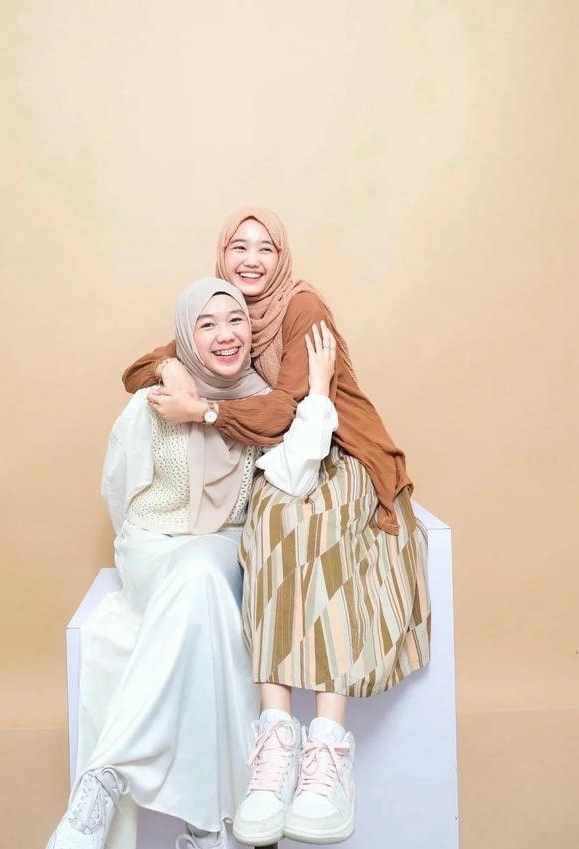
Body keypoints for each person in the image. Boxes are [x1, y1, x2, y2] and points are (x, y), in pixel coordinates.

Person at [123, 209, 431, 845]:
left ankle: (328, 747)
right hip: (286, 452)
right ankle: (275, 742)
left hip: (338, 448)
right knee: (267, 521)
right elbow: (143, 366)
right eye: (239, 247)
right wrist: (170, 370)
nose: (252, 260)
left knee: (310, 520)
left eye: (266, 248)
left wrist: (204, 410)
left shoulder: (300, 306)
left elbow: (291, 410)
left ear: (283, 256)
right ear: (223, 256)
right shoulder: (231, 312)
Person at [46, 277, 340, 849]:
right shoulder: (154, 401)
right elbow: (119, 487)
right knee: (204, 608)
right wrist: (155, 541)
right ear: (186, 334)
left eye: (236, 321)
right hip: (152, 545)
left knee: (203, 573)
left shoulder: (262, 406)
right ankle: (206, 825)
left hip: (222, 548)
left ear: (251, 331)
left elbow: (296, 474)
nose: (225, 335)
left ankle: (106, 777)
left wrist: (320, 390)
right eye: (207, 324)